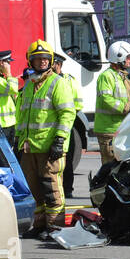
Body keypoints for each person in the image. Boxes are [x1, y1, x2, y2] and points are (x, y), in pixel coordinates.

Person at [15, 39, 74, 236]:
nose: (42, 62)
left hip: (50, 148)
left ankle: (56, 228)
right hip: (30, 148)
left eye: (45, 59)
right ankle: (40, 225)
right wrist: (18, 140)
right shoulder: (29, 85)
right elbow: (22, 116)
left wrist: (59, 140)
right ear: (30, 61)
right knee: (34, 190)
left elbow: (67, 114)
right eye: (37, 59)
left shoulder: (58, 83)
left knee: (52, 190)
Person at [94, 40, 130, 165]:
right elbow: (106, 99)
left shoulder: (121, 76)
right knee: (110, 167)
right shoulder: (107, 76)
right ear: (120, 57)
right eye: (128, 57)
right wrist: (127, 108)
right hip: (108, 131)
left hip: (118, 129)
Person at [52, 52, 83, 199]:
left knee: (68, 159)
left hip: (66, 126)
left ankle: (68, 189)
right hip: (49, 126)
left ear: (60, 65)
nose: (53, 67)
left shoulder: (69, 80)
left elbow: (77, 104)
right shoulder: (46, 80)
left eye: (55, 64)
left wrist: (66, 118)